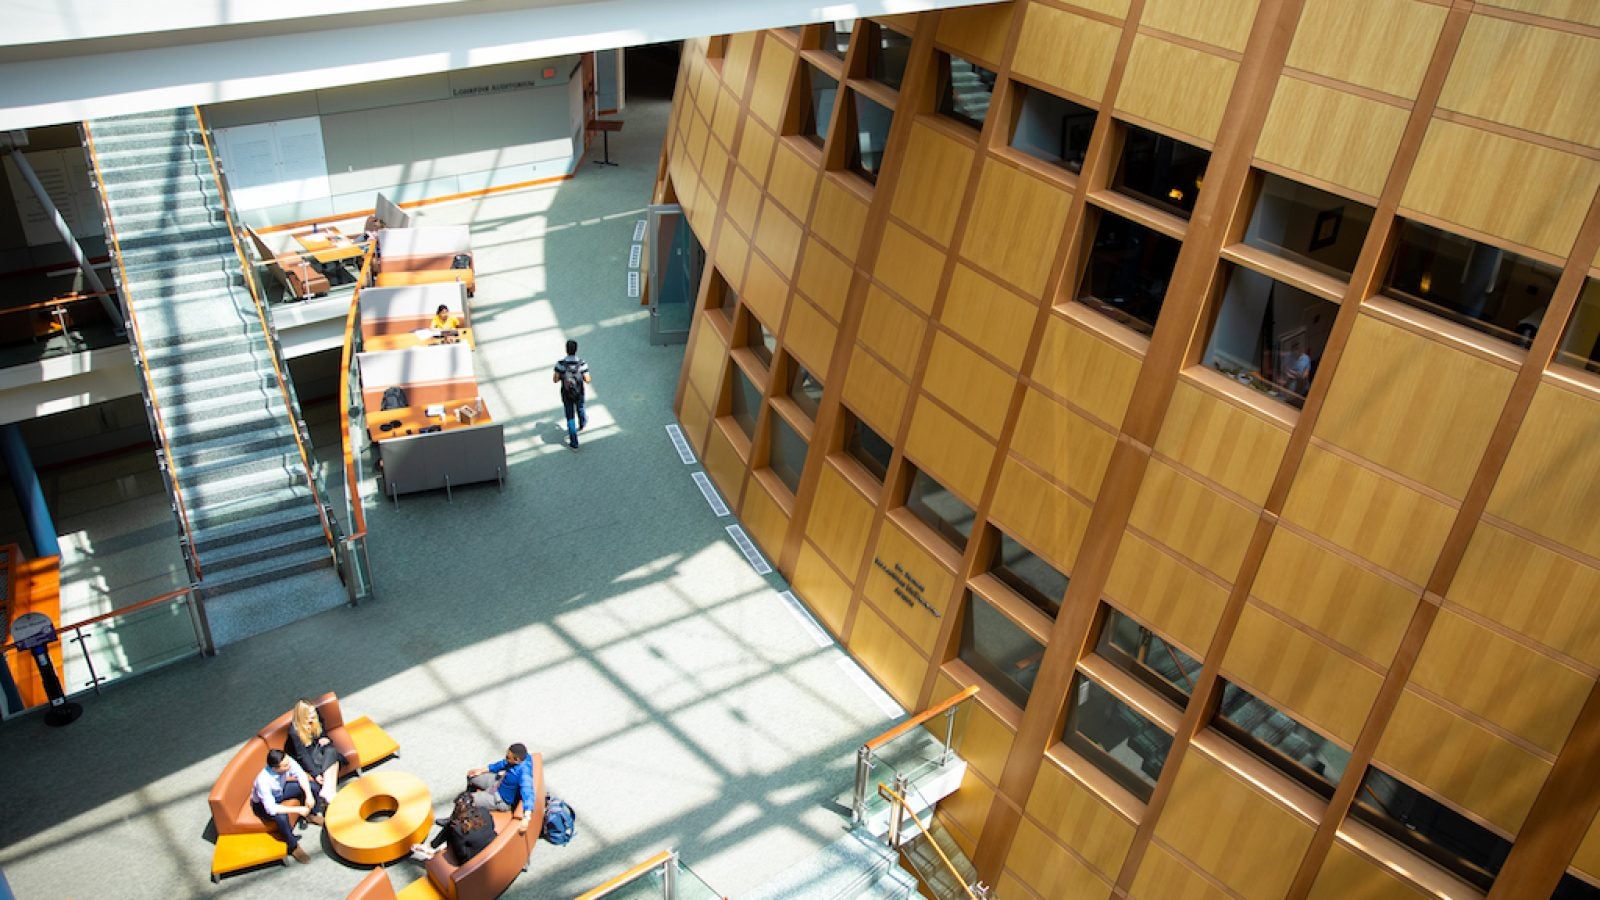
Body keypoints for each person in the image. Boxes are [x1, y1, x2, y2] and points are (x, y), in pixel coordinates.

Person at [251, 749, 318, 864]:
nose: (289, 765)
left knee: (312, 787)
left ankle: (311, 816)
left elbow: (300, 775)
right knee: (281, 817)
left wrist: (309, 795)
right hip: (263, 805)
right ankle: (293, 846)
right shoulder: (263, 781)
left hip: (280, 790)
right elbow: (271, 808)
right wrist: (298, 809)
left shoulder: (287, 761)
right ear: (275, 768)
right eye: (285, 766)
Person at [284, 698, 345, 817]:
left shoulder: (316, 716)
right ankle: (330, 792)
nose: (313, 717)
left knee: (331, 749)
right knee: (334, 758)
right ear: (302, 716)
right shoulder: (294, 732)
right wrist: (316, 774)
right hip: (309, 756)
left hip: (318, 748)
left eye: (313, 713)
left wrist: (324, 737)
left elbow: (322, 731)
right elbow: (303, 756)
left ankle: (328, 791)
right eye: (310, 715)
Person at [465, 743, 536, 834]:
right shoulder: (522, 757)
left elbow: (528, 793)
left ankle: (456, 819)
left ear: (517, 760)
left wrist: (527, 817)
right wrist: (484, 770)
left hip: (501, 799)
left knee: (465, 801)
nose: (506, 758)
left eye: (508, 757)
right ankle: (473, 796)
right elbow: (503, 763)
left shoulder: (524, 775)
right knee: (471, 776)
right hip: (499, 783)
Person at [411, 792, 497, 863]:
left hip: (472, 857)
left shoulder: (458, 829)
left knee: (452, 828)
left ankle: (433, 849)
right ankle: (431, 846)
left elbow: (460, 854)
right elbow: (492, 827)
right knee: (452, 825)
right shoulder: (484, 811)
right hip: (492, 842)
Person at [552, 340, 592, 451]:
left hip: (566, 393)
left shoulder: (560, 364)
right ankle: (582, 423)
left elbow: (555, 380)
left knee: (570, 417)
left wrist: (563, 376)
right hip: (579, 392)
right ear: (576, 349)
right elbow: (588, 380)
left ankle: (574, 443)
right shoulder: (582, 363)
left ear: (566, 349)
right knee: (580, 408)